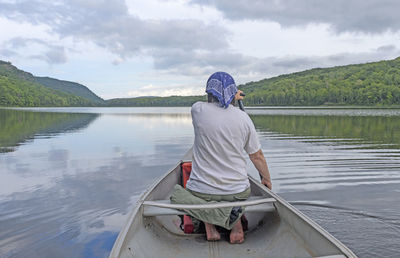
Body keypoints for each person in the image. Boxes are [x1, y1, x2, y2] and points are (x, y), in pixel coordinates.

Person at [171, 71, 272, 244]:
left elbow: (213, 104)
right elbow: (257, 156)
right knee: (231, 196)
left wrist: (231, 95)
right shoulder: (244, 118)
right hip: (237, 192)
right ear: (233, 93)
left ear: (209, 93)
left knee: (176, 195)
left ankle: (210, 228)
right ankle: (235, 224)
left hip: (202, 191)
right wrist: (266, 179)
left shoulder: (198, 110)